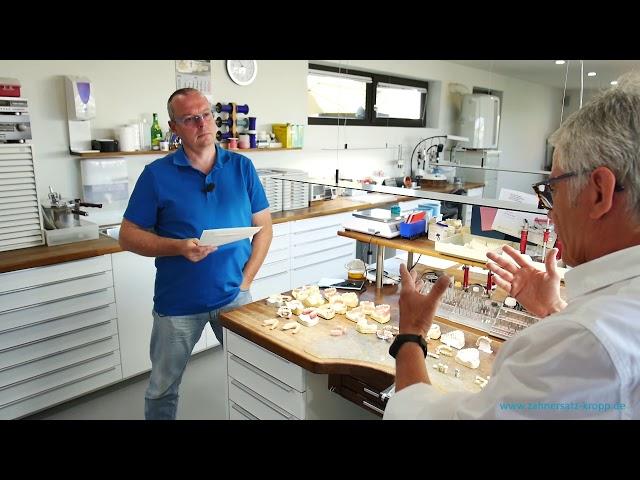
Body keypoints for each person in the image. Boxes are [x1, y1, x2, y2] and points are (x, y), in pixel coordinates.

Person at [384, 72, 640, 419]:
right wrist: (554, 309)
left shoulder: (583, 343)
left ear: (599, 192)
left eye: (553, 190)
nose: (549, 213)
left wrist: (411, 335)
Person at [119, 88, 273, 420]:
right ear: (174, 128)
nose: (202, 123)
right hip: (178, 304)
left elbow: (264, 227)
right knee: (162, 387)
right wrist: (177, 247)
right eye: (190, 119)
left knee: (255, 375)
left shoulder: (242, 167)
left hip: (234, 296)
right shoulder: (156, 175)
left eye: (205, 114)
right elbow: (127, 236)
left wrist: (246, 282)